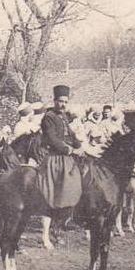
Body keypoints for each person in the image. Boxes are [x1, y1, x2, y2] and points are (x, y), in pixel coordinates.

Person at [37, 85, 83, 229]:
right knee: (60, 187)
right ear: (54, 100)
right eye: (60, 101)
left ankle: (67, 217)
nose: (63, 105)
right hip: (56, 157)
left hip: (68, 156)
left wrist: (79, 146)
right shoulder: (48, 117)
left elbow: (71, 134)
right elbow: (52, 139)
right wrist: (69, 149)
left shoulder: (63, 116)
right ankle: (55, 219)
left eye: (65, 102)